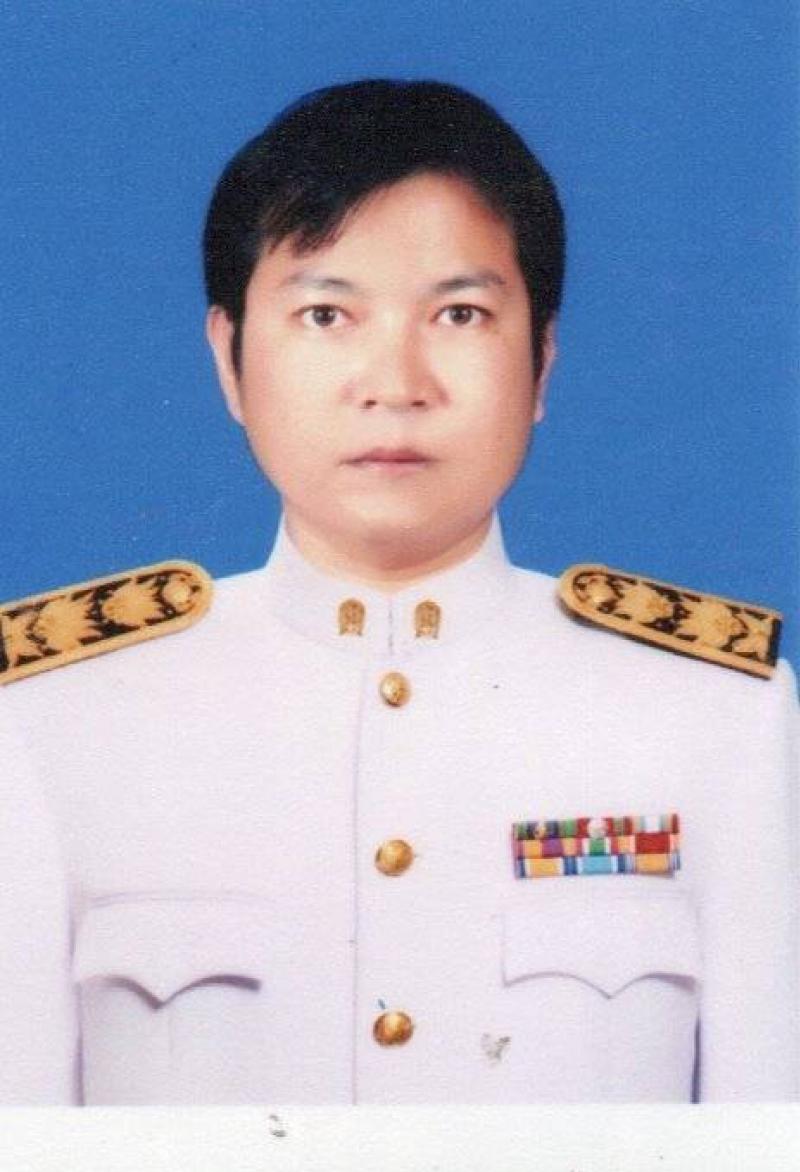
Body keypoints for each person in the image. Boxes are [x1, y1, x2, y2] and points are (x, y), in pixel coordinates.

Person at [1, 79, 796, 1105]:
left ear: (542, 361)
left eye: (459, 313)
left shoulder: (716, 715)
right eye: (325, 314)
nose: (396, 381)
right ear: (229, 360)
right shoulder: (53, 721)